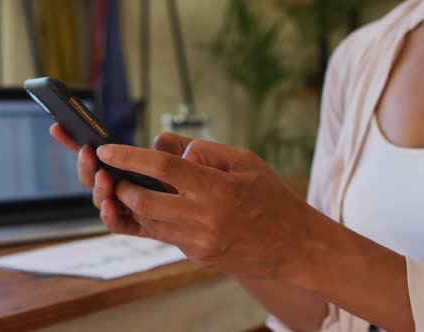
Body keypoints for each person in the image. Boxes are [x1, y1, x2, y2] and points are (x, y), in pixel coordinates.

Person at [50, 1, 424, 330]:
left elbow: (309, 251)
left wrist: (298, 240)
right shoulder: (362, 58)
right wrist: (224, 238)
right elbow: (334, 321)